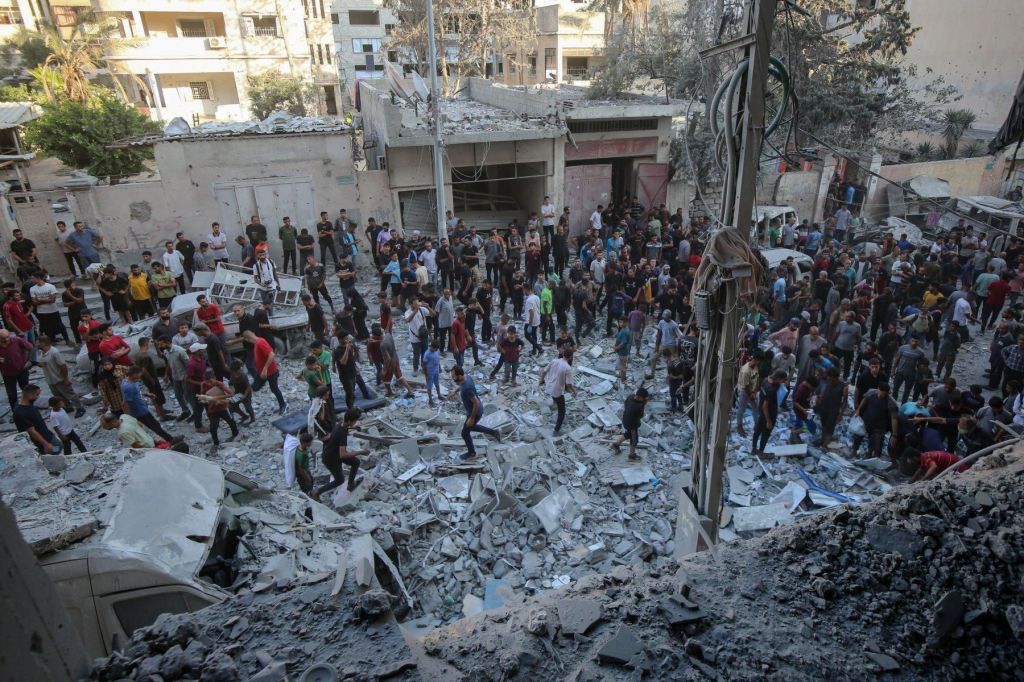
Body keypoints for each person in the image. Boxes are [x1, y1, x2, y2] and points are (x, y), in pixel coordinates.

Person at [313, 409, 369, 500]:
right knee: (339, 480)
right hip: (331, 459)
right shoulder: (341, 433)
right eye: (355, 421)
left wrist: (354, 427)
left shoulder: (340, 425)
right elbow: (343, 455)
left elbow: (344, 430)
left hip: (334, 453)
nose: (355, 422)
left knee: (356, 462)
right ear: (349, 421)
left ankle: (350, 485)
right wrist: (361, 452)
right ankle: (317, 492)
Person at [450, 365, 501, 461]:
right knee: (471, 427)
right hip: (475, 409)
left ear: (460, 376)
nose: (452, 378)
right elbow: (461, 385)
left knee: (465, 433)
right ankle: (494, 432)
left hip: (475, 411)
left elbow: (476, 403)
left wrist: (472, 418)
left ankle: (472, 453)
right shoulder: (466, 377)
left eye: (454, 376)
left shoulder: (467, 388)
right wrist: (455, 391)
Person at [121, 366, 176, 442]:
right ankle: (171, 440)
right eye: (140, 374)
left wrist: (147, 394)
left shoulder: (126, 381)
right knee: (155, 426)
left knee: (154, 425)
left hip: (141, 409)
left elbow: (134, 394)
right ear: (134, 374)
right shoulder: (129, 387)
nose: (141, 376)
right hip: (140, 412)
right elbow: (124, 403)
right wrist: (128, 418)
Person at [36, 335, 84, 417]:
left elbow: (63, 366)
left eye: (38, 343)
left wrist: (66, 379)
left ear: (43, 343)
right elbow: (42, 363)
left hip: (59, 379)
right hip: (50, 379)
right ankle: (68, 407)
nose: (36, 344)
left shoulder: (54, 352)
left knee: (70, 394)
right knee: (58, 395)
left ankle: (80, 408)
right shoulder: (42, 352)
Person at [242, 331, 288, 415]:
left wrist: (265, 369)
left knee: (274, 389)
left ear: (247, 339)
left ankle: (283, 404)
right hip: (262, 372)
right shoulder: (257, 343)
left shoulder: (260, 342)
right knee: (255, 386)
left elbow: (271, 354)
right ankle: (247, 404)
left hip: (270, 372)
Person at [852, 382, 899, 460]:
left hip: (880, 426)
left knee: (875, 443)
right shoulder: (871, 392)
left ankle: (870, 457)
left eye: (883, 394)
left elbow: (894, 418)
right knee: (858, 436)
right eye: (880, 392)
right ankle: (853, 452)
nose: (881, 395)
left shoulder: (891, 402)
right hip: (866, 420)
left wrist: (894, 434)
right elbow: (865, 399)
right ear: (878, 389)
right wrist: (858, 410)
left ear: (887, 393)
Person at [200, 368, 238, 450]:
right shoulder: (203, 384)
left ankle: (235, 434)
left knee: (230, 421)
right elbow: (202, 396)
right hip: (212, 409)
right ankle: (216, 443)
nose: (209, 383)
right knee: (213, 427)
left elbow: (231, 394)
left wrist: (217, 397)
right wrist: (206, 399)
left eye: (210, 381)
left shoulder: (219, 384)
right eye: (207, 381)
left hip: (223, 407)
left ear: (214, 377)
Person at [14, 385, 60, 454]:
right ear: (30, 395)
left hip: (46, 434)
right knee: (54, 453)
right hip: (40, 442)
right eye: (37, 395)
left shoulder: (29, 404)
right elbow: (32, 432)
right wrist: (46, 444)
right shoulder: (20, 413)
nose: (37, 397)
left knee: (58, 447)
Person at [751, 370, 787, 457]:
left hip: (761, 412)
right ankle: (761, 453)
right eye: (783, 380)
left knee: (757, 431)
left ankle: (754, 449)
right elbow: (765, 406)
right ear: (778, 379)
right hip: (769, 414)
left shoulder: (765, 380)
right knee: (765, 434)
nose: (783, 382)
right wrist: (769, 421)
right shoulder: (772, 390)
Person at [541, 349, 575, 435]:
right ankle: (556, 430)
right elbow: (569, 384)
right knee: (562, 411)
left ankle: (554, 404)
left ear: (563, 354)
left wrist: (541, 380)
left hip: (549, 387)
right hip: (557, 391)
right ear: (571, 357)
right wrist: (574, 391)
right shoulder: (568, 368)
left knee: (555, 398)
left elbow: (544, 371)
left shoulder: (554, 361)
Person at [30, 272, 70, 343]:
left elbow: (52, 300)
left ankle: (67, 340)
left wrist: (40, 300)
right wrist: (47, 300)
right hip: (42, 311)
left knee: (60, 325)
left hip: (53, 310)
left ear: (38, 278)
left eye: (33, 278)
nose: (32, 280)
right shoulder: (32, 289)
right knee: (47, 328)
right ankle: (52, 340)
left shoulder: (50, 286)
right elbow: (34, 302)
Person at [0, 329, 33, 413]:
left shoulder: (17, 340)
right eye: (3, 338)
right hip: (7, 374)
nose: (6, 339)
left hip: (22, 371)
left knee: (26, 390)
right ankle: (16, 413)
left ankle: (30, 409)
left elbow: (30, 347)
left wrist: (29, 361)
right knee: (12, 395)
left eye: (7, 337)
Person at [612, 386, 648, 461]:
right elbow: (640, 416)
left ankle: (616, 444)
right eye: (644, 398)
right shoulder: (638, 407)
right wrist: (643, 405)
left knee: (628, 434)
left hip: (626, 420)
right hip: (632, 425)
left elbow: (626, 404)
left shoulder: (630, 397)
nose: (644, 399)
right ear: (639, 397)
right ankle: (632, 455)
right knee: (634, 440)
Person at [422, 340, 442, 406]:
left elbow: (438, 360)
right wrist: (426, 374)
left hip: (436, 371)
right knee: (429, 386)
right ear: (432, 347)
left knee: (437, 383)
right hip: (430, 372)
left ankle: (439, 395)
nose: (436, 350)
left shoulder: (437, 351)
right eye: (435, 349)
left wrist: (439, 368)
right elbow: (424, 365)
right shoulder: (427, 354)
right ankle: (430, 400)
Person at [613, 316, 631, 383]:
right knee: (622, 366)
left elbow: (623, 343)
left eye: (621, 322)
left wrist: (616, 348)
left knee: (623, 367)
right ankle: (623, 377)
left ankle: (623, 380)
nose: (620, 323)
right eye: (619, 322)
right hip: (622, 352)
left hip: (623, 352)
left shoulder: (625, 331)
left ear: (626, 322)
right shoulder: (623, 329)